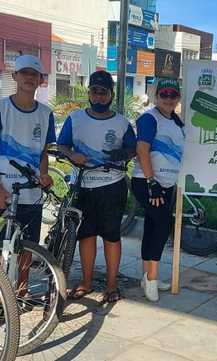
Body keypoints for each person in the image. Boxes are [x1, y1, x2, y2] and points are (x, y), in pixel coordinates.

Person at [0, 55, 56, 303]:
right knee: (2, 246)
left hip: (31, 190)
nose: (29, 78)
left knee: (28, 244)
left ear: (41, 80)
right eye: (24, 73)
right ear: (15, 76)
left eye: (34, 74)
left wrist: (44, 176)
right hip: (6, 188)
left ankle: (21, 290)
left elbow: (44, 152)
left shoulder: (46, 114)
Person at [57, 70, 136, 304]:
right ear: (89, 93)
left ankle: (112, 285)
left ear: (110, 95)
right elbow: (62, 145)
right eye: (95, 91)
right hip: (82, 184)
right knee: (86, 235)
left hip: (112, 185)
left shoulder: (121, 123)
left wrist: (124, 153)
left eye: (104, 92)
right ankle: (86, 282)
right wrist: (73, 155)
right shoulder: (75, 119)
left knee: (111, 236)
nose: (99, 96)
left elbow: (133, 149)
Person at [131, 78, 185, 302]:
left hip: (167, 184)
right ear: (156, 97)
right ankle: (151, 279)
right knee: (163, 227)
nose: (168, 99)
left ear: (178, 98)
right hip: (149, 183)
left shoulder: (176, 122)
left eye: (173, 95)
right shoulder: (149, 119)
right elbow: (142, 150)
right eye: (164, 95)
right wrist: (152, 184)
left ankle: (147, 275)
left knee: (153, 227)